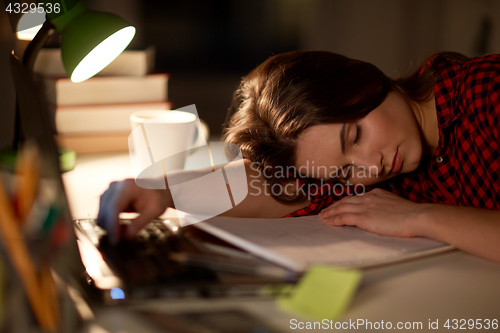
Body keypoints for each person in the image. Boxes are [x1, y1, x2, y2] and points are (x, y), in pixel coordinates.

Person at [97, 50, 500, 263]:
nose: (370, 167)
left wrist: (419, 218)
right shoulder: (371, 170)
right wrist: (164, 192)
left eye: (354, 134)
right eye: (343, 174)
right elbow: (268, 184)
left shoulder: (487, 90)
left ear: (359, 80)